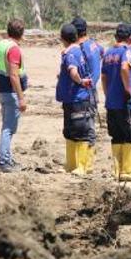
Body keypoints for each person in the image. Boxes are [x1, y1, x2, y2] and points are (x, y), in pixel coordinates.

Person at [101, 23, 131, 182]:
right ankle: (129, 170)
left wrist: (107, 94)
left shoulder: (108, 53)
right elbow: (125, 68)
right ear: (130, 38)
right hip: (127, 103)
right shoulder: (127, 52)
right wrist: (128, 89)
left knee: (116, 136)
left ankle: (117, 170)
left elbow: (104, 77)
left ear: (115, 36)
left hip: (112, 103)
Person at [56, 23, 94, 174]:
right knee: (70, 131)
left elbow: (73, 71)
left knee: (80, 131)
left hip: (78, 98)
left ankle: (82, 166)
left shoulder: (71, 53)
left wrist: (80, 81)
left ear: (62, 38)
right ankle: (71, 164)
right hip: (70, 99)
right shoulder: (75, 51)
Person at [0, 19, 28, 172]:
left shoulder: (2, 44)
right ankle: (3, 162)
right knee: (9, 128)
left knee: (6, 125)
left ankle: (7, 158)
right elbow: (14, 75)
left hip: (1, 90)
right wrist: (21, 98)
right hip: (10, 92)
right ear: (21, 34)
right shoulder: (14, 49)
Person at [71, 16, 105, 147]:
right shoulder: (94, 44)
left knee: (86, 123)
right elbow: (102, 53)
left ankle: (88, 155)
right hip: (92, 88)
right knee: (90, 118)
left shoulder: (79, 48)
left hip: (84, 89)